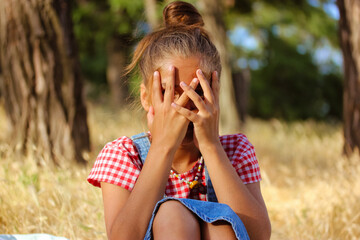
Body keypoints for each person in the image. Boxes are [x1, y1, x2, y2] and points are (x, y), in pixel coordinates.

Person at [87, 1, 271, 239]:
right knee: (172, 214)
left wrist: (211, 147)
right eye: (169, 92)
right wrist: (163, 146)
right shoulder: (124, 155)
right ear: (146, 97)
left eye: (198, 92)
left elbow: (257, 236)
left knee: (221, 225)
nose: (184, 106)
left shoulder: (235, 151)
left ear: (215, 94)